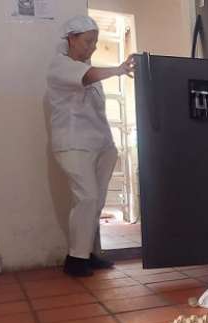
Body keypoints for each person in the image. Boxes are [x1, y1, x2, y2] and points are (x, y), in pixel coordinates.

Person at [47, 16, 135, 277]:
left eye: (95, 41)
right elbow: (87, 77)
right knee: (86, 198)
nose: (93, 47)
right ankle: (75, 260)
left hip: (99, 144)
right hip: (74, 144)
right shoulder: (60, 66)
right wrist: (119, 69)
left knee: (94, 202)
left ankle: (87, 253)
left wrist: (111, 146)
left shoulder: (87, 68)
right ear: (71, 39)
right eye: (88, 41)